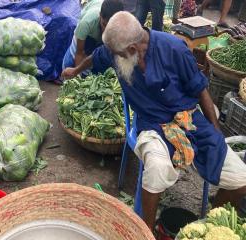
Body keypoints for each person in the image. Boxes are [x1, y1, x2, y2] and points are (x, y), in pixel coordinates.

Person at [62, 11, 246, 230]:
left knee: (240, 179)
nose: (113, 56)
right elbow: (97, 56)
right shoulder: (116, 51)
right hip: (152, 125)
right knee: (157, 167)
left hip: (189, 121)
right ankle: (146, 230)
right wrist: (75, 70)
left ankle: (211, 221)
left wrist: (216, 133)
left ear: (131, 49)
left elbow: (200, 90)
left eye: (117, 53)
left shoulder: (174, 49)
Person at [61, 0, 124, 78]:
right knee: (69, 64)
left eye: (110, 27)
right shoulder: (86, 22)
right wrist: (77, 74)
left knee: (98, 68)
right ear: (100, 15)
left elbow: (102, 55)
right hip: (89, 33)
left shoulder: (122, 27)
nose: (106, 30)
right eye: (104, 24)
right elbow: (79, 52)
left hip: (101, 41)